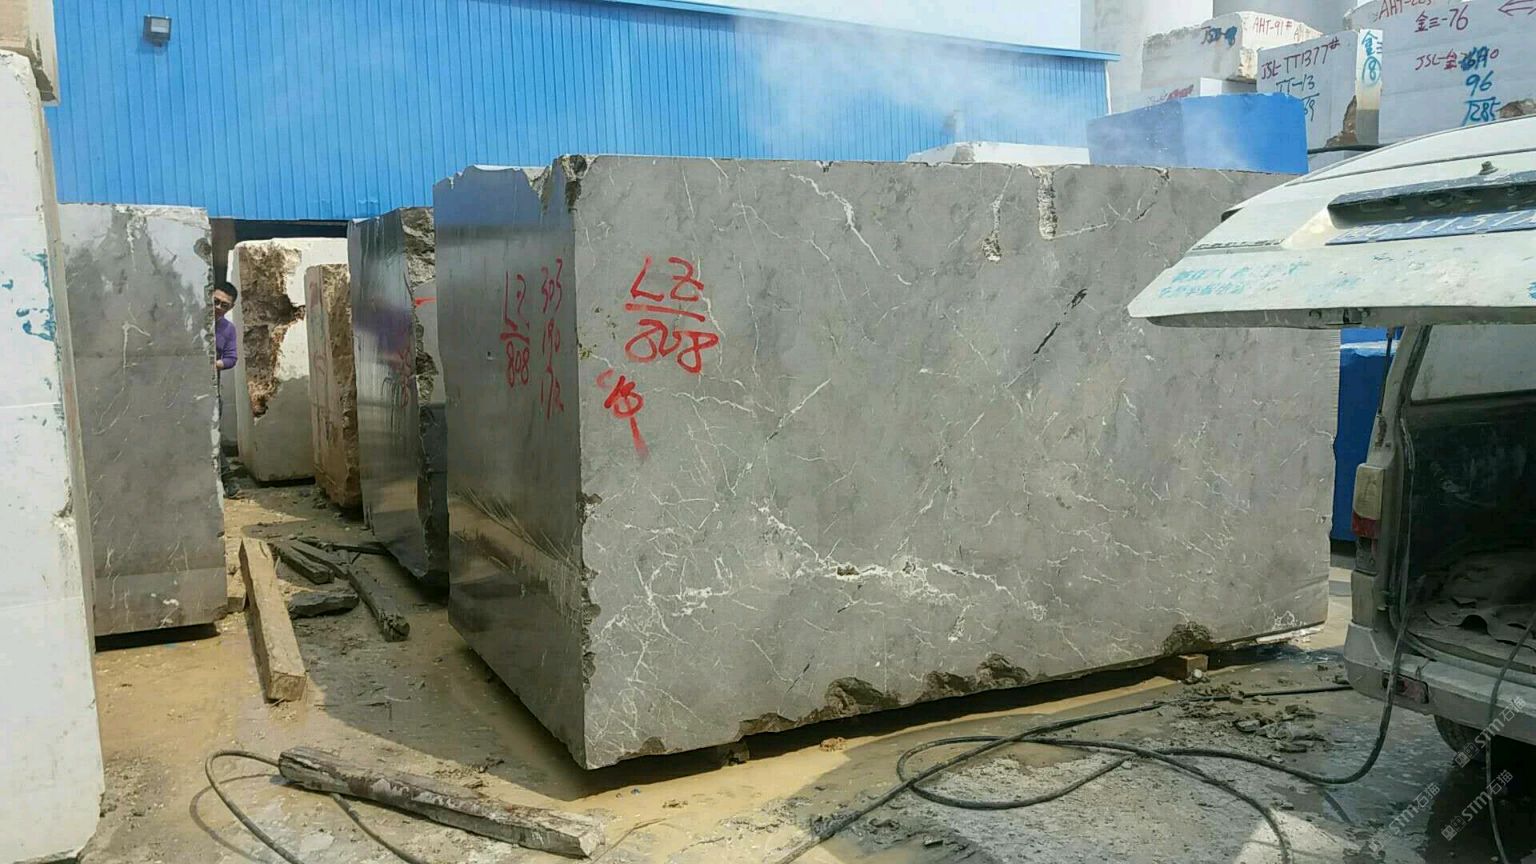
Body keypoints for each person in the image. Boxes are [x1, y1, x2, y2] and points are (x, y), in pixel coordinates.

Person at [213, 282, 240, 498]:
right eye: (215, 302)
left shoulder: (227, 329)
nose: (218, 308)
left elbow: (231, 358)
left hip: (211, 391)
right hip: (180, 391)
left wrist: (214, 364)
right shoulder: (191, 320)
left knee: (211, 438)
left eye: (224, 305)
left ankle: (228, 480)